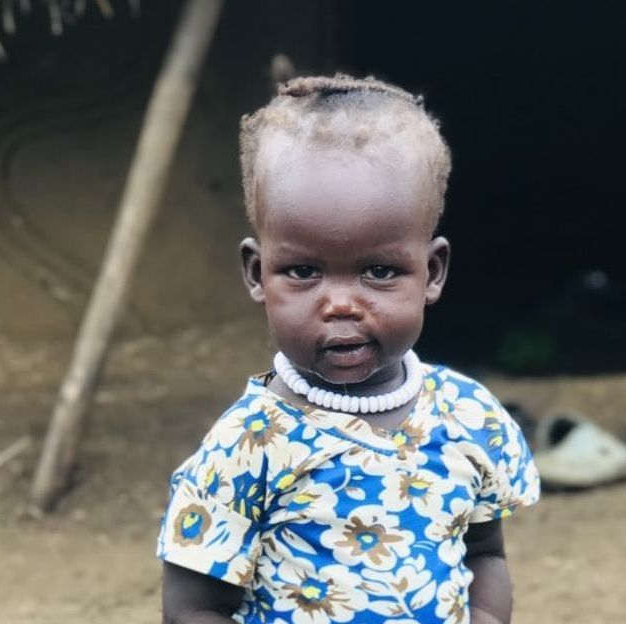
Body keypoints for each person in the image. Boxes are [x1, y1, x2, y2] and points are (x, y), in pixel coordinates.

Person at [157, 75, 541, 624]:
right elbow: (193, 608)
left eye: (380, 271)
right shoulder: (245, 448)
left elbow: (484, 555)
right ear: (257, 273)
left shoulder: (468, 417)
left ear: (431, 273)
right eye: (303, 271)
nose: (340, 304)